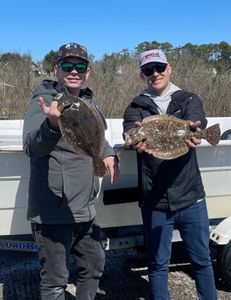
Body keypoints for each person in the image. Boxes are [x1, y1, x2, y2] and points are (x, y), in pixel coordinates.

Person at [23, 42, 119, 300]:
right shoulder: (43, 101)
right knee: (55, 281)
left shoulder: (87, 100)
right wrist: (52, 123)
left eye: (80, 66)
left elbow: (96, 135)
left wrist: (108, 152)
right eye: (67, 65)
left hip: (85, 208)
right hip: (54, 211)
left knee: (93, 266)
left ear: (88, 72)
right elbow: (31, 146)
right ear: (57, 69)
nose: (73, 71)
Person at [123, 49, 217, 300]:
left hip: (190, 197)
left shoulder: (187, 99)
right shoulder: (136, 107)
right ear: (142, 75)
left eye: (159, 68)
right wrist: (134, 141)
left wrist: (196, 128)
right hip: (155, 200)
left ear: (169, 68)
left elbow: (198, 120)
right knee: (157, 263)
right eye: (148, 70)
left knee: (202, 261)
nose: (155, 74)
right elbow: (129, 132)